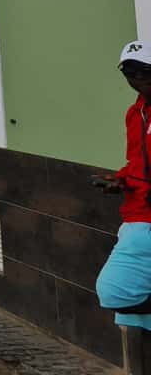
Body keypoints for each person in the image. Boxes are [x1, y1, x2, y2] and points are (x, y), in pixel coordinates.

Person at [95, 41, 151, 340]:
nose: (137, 78)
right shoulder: (136, 113)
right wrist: (121, 180)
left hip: (146, 220)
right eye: (128, 71)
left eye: (143, 70)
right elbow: (138, 161)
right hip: (136, 213)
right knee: (130, 314)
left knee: (114, 291)